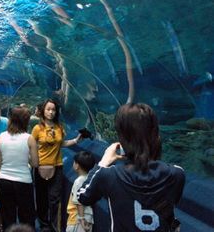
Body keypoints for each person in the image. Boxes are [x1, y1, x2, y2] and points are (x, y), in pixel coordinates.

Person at [78, 103, 185, 232]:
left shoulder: (109, 175)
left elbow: (83, 196)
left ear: (122, 139)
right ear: (156, 134)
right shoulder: (177, 173)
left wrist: (103, 163)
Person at [32, 99, 83, 232]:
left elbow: (62, 144)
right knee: (41, 198)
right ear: (43, 110)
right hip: (40, 167)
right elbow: (32, 147)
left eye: (53, 109)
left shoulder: (60, 127)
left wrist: (76, 140)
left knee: (55, 199)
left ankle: (55, 227)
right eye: (48, 109)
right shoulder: (37, 128)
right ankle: (43, 225)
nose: (51, 112)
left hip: (57, 166)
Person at [0, 106, 39, 230]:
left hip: (4, 180)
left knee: (7, 217)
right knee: (27, 217)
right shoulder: (29, 138)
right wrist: (27, 159)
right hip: (23, 182)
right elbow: (35, 163)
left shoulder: (1, 137)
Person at [66, 151, 95, 232]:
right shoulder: (90, 179)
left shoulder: (79, 181)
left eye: (74, 162)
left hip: (77, 219)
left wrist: (81, 219)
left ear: (77, 166)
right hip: (88, 217)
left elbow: (79, 202)